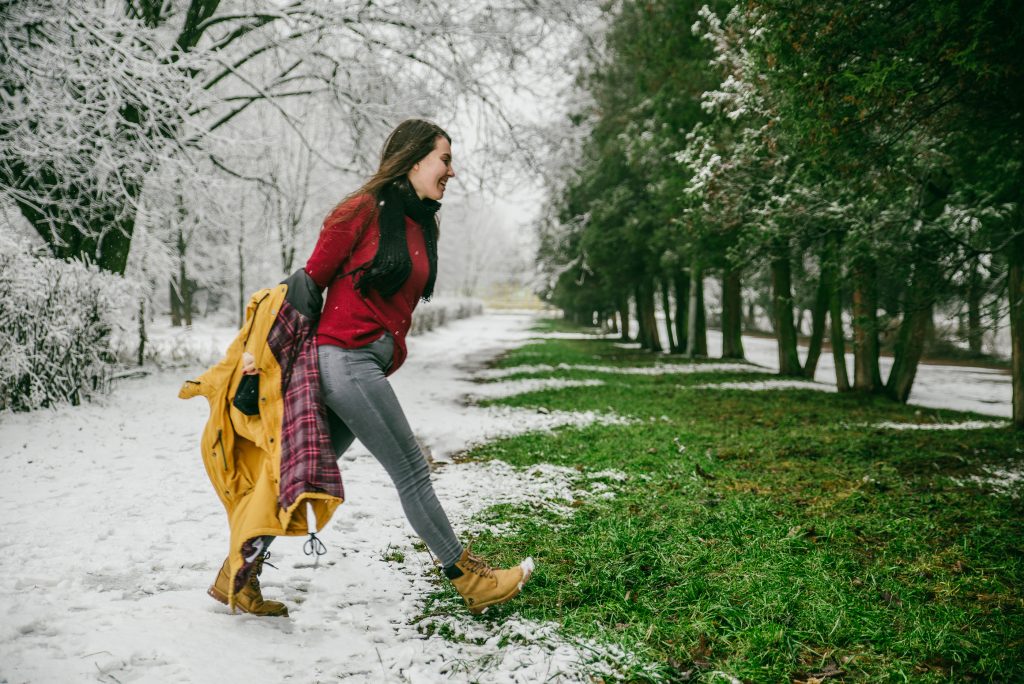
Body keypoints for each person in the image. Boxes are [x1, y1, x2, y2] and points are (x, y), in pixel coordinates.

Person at [230, 119, 534, 617]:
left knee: (300, 475)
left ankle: (237, 575)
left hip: (362, 365)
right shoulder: (361, 210)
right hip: (343, 362)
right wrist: (257, 359)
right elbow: (307, 286)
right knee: (412, 470)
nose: (451, 171)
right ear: (415, 159)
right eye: (444, 159)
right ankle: (468, 578)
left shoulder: (421, 222)